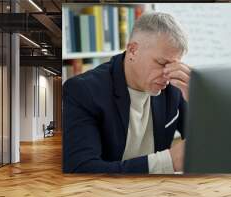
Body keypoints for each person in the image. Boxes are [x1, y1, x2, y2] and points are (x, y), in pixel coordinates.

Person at [62, 12, 191, 173]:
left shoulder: (174, 87)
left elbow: (208, 144)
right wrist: (168, 162)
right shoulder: (82, 91)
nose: (168, 73)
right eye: (161, 63)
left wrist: (198, 100)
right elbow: (81, 169)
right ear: (133, 50)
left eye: (174, 64)